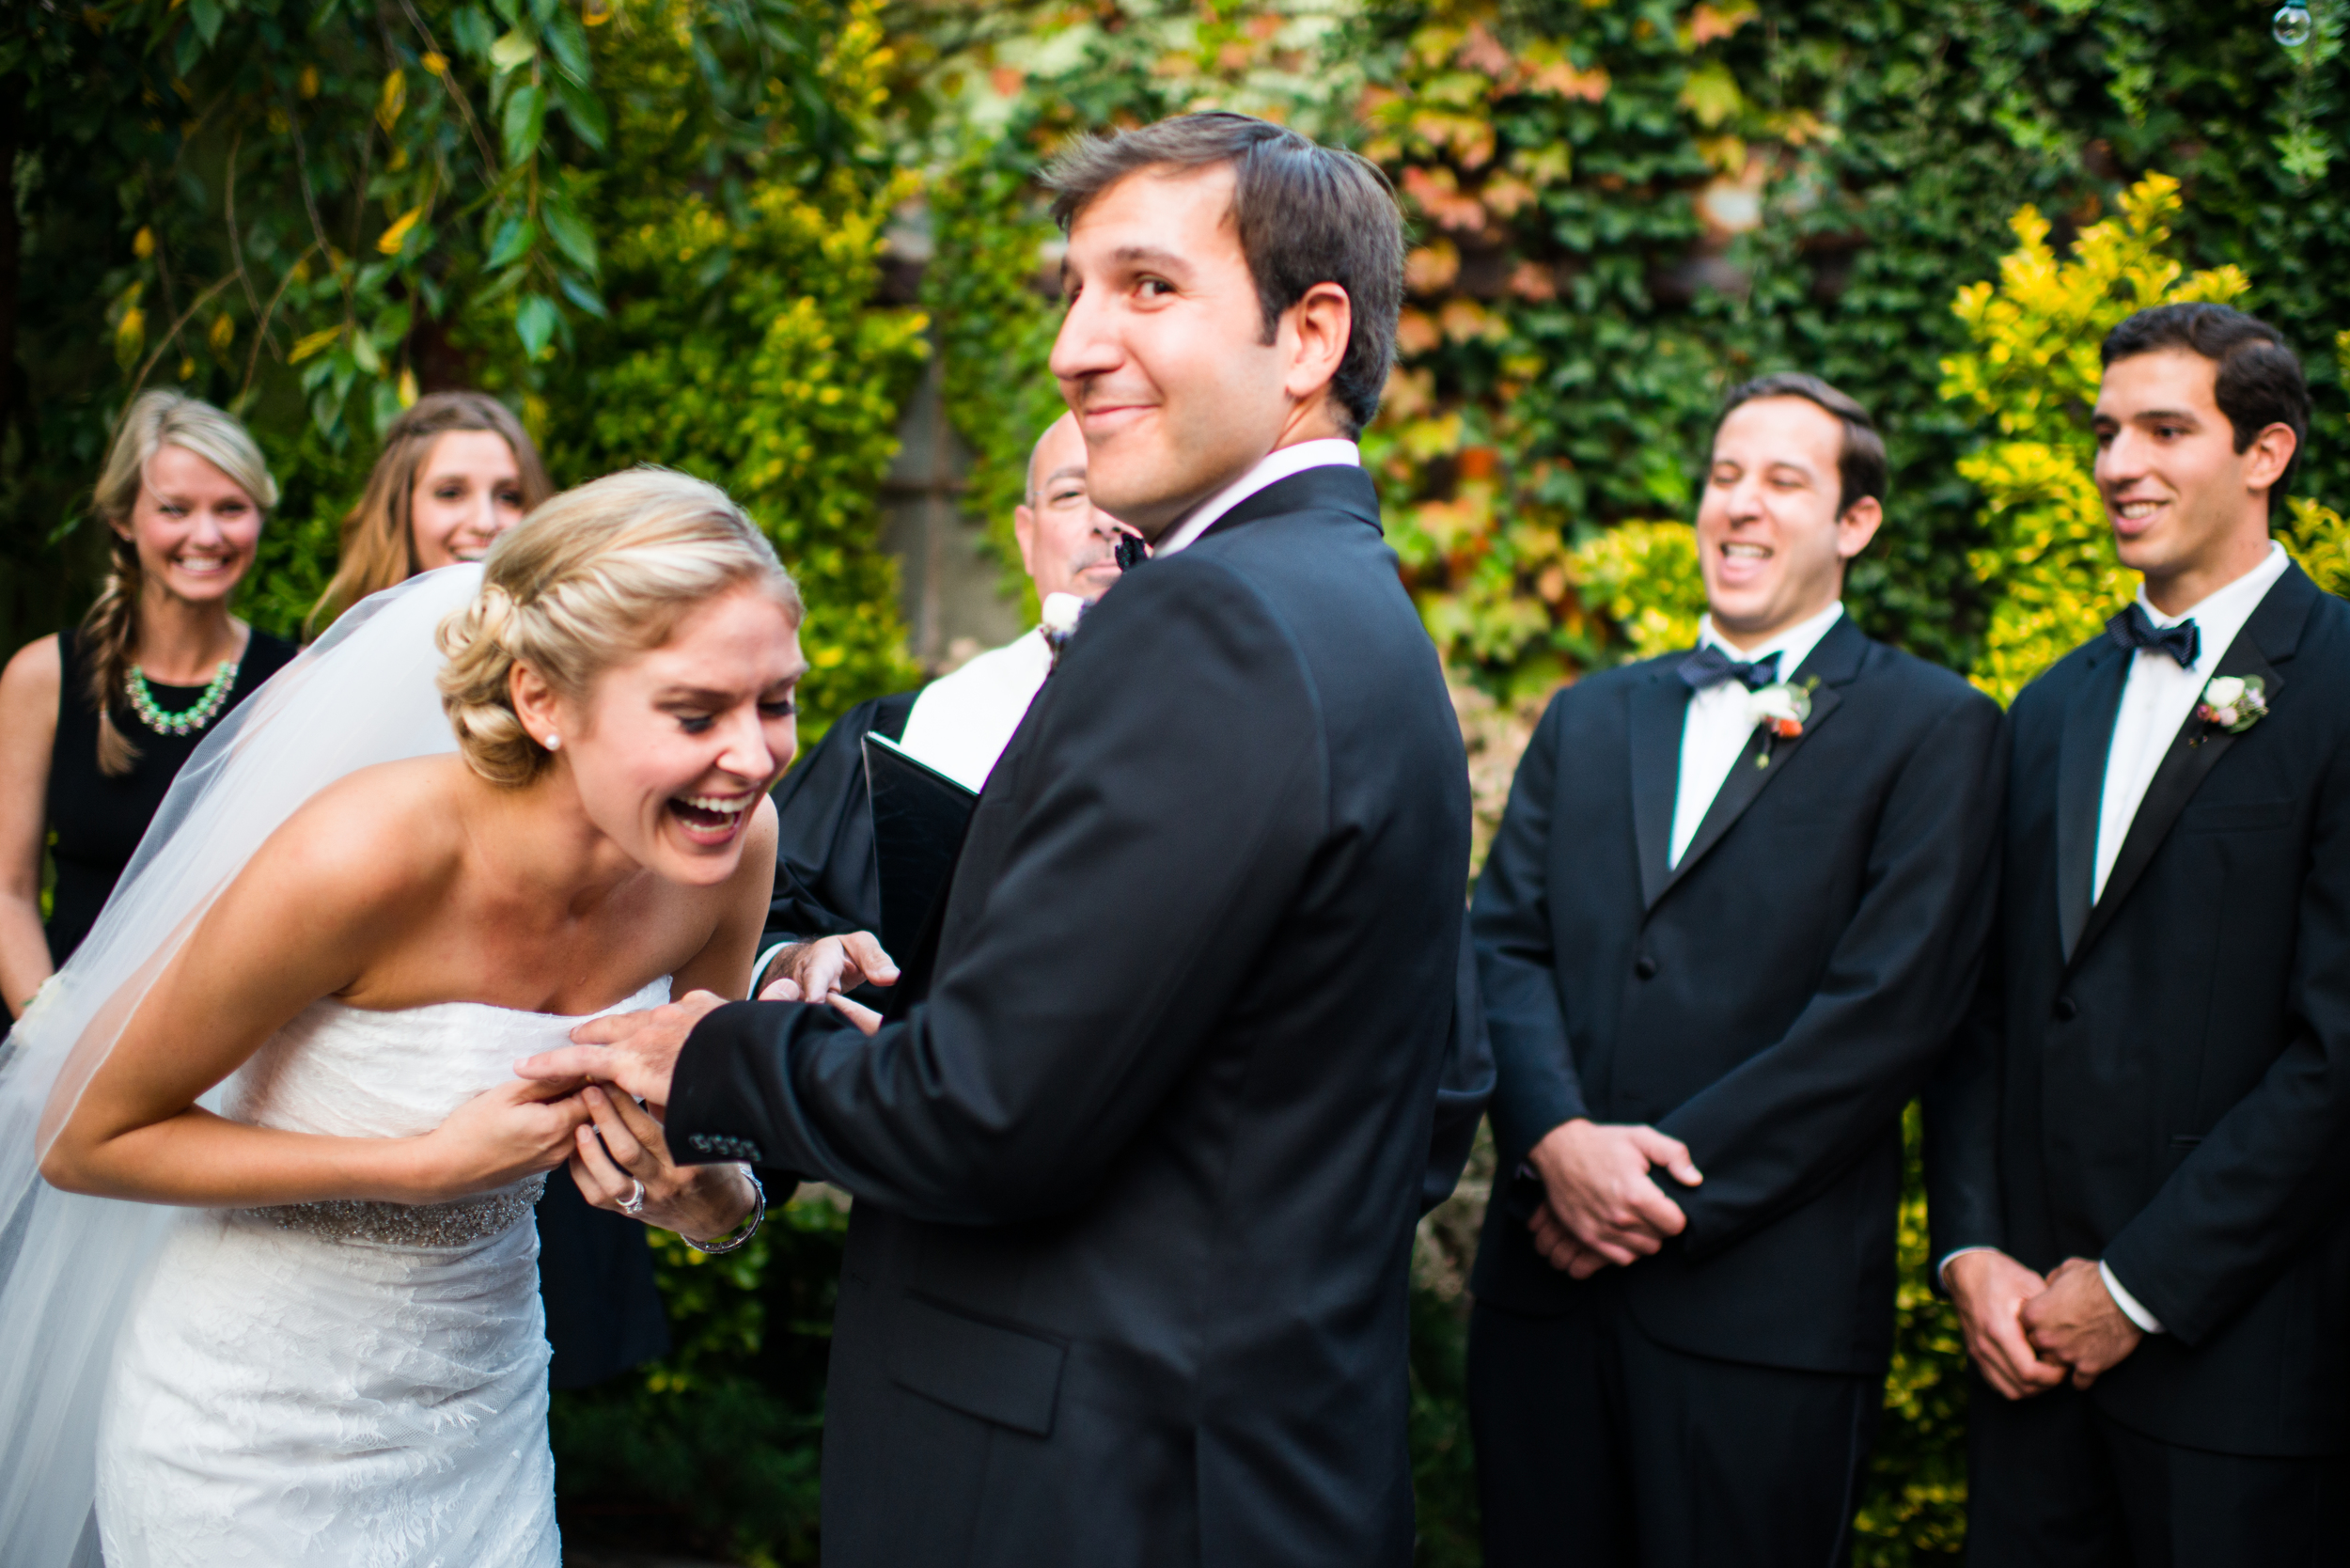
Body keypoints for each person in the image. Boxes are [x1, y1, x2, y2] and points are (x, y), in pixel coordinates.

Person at [520, 112, 1476, 1565]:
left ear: (1310, 336)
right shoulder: (1350, 611)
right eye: (1073, 292)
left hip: (1097, 1489)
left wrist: (709, 1055)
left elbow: (989, 1113)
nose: (1076, 348)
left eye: (1148, 287)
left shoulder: (1213, 622)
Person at [0, 470, 791, 1566]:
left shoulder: (732, 853)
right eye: (695, 713)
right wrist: (417, 1167)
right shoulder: (359, 858)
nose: (753, 757)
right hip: (245, 1440)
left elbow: (698, 1156)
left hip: (482, 1410)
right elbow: (82, 1135)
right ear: (542, 701)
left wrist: (713, 1203)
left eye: (775, 702)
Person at [1465, 374, 2005, 1566]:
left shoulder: (1935, 728)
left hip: (1762, 1321)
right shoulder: (1587, 716)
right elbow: (1500, 946)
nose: (1739, 505)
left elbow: (1886, 1015)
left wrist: (1640, 1200)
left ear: (1854, 524)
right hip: (1543, 1302)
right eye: (1722, 476)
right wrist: (1557, 1142)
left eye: (1782, 482)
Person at [1925, 303, 2350, 1560]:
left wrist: (2134, 1290)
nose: (2118, 464)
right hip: (2028, 1367)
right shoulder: (2047, 707)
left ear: (2265, 453)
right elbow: (1984, 1007)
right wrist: (1971, 1247)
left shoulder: (2339, 685)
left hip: (2245, 1381)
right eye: (2106, 433)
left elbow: (2337, 1056)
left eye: (2165, 430)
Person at [753, 408, 1133, 1001]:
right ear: (1027, 535)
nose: (1106, 520)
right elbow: (761, 914)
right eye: (1071, 493)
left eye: (1129, 488)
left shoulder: (1248, 732)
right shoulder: (901, 734)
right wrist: (794, 962)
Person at [0, 391, 299, 1020]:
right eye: (174, 509)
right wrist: (47, 1036)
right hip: (52, 1017)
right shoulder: (43, 677)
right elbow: (8, 891)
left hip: (218, 1032)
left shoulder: (294, 682)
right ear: (123, 519)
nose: (207, 535)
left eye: (231, 508)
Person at [306, 390, 554, 635]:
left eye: (509, 497)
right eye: (451, 493)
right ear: (399, 511)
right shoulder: (345, 657)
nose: (485, 522)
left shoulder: (569, 655)